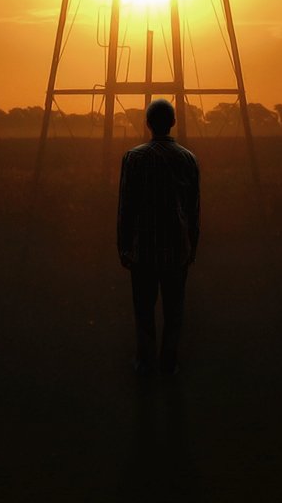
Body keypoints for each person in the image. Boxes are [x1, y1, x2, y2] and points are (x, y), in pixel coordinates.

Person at [117, 99, 200, 375]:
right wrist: (193, 246)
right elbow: (193, 209)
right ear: (173, 122)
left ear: (148, 123)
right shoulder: (187, 158)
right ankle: (169, 364)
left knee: (144, 311)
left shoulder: (134, 158)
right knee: (174, 311)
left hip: (144, 250)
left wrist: (123, 246)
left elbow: (125, 207)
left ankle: (144, 364)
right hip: (177, 249)